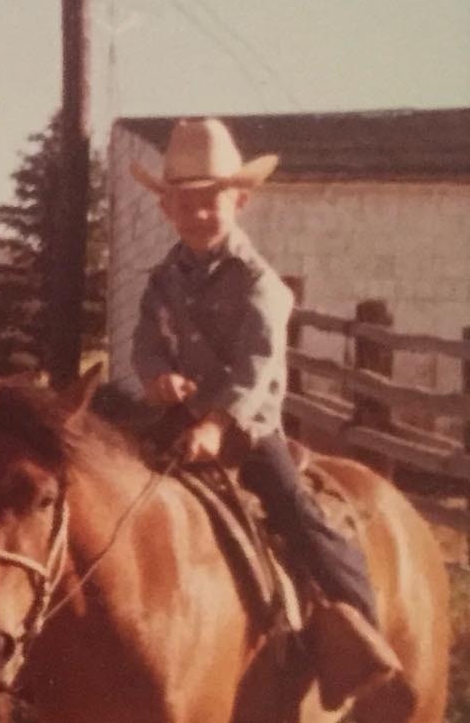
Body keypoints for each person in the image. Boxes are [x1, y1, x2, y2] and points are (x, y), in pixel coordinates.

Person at [130, 117, 401, 709]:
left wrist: (215, 423)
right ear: (167, 208)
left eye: (213, 201)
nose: (200, 214)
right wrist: (157, 378)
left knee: (297, 513)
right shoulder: (162, 279)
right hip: (179, 424)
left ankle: (361, 631)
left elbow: (255, 369)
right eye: (187, 203)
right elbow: (146, 340)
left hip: (246, 431)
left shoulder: (260, 284)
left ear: (240, 201)